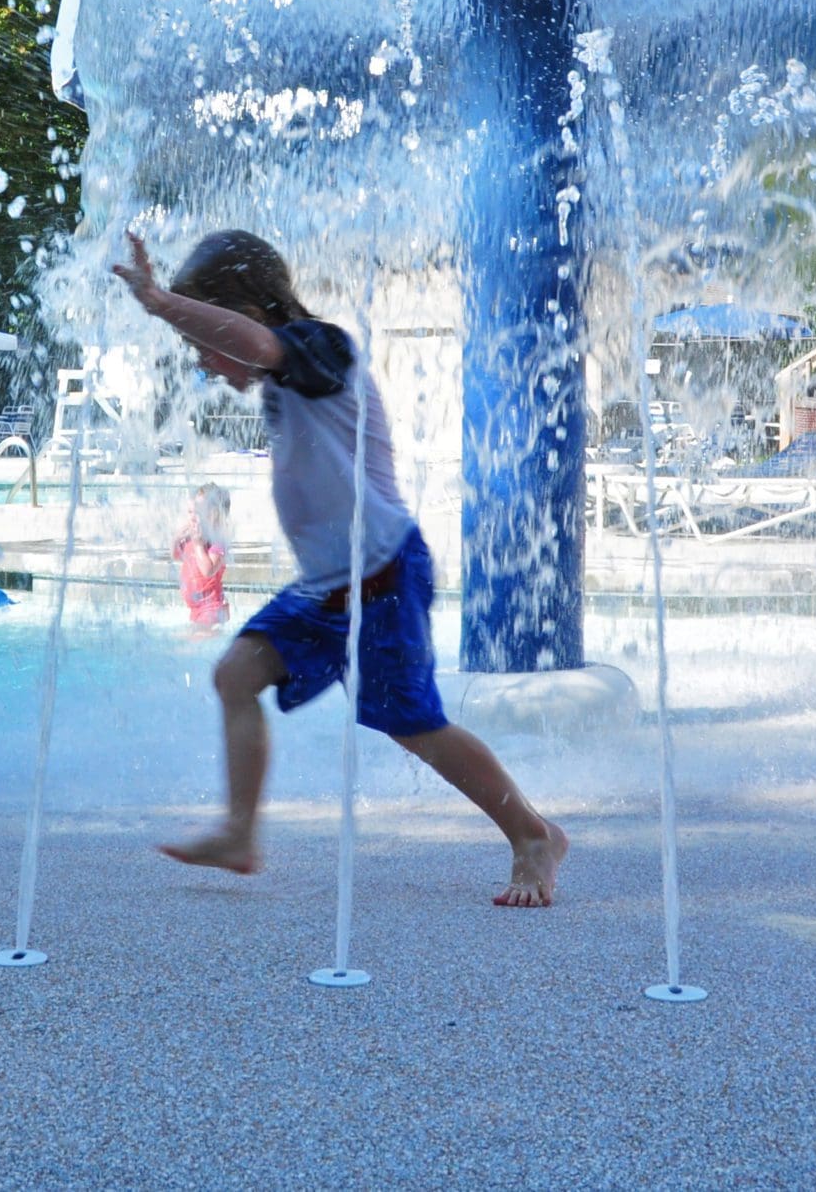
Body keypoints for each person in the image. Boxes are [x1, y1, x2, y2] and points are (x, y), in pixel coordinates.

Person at [112, 228, 568, 908]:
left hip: (382, 575)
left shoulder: (320, 350)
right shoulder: (280, 384)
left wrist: (159, 302)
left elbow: (261, 346)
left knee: (413, 725)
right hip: (328, 587)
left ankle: (532, 834)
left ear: (250, 310)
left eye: (205, 343)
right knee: (235, 673)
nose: (205, 364)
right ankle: (240, 832)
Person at [173, 483, 232, 634]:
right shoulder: (191, 537)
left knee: (191, 649)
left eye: (198, 512)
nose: (192, 517)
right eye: (190, 512)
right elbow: (176, 556)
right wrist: (176, 539)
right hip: (196, 610)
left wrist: (199, 545)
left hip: (211, 609)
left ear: (214, 515)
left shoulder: (217, 541)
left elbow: (208, 570)